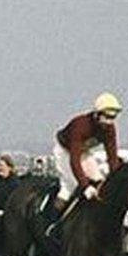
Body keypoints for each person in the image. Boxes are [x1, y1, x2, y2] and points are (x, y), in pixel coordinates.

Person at [43, 92, 123, 230]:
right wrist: (85, 186)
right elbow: (74, 161)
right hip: (65, 151)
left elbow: (112, 159)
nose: (110, 122)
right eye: (107, 117)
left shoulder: (109, 129)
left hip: (84, 152)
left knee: (99, 182)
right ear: (97, 114)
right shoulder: (80, 125)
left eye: (113, 117)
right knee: (71, 187)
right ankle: (49, 225)